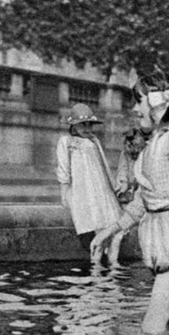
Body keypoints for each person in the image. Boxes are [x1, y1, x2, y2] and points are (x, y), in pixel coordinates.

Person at [91, 72, 169, 335]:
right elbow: (142, 201)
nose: (135, 109)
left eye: (139, 102)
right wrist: (110, 230)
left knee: (152, 329)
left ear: (157, 105)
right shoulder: (154, 145)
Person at [56, 102, 125, 264]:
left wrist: (113, 186)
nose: (87, 128)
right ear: (73, 125)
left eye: (90, 124)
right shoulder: (66, 142)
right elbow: (63, 168)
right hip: (82, 190)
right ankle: (96, 267)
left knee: (113, 231)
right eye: (82, 124)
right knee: (94, 230)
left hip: (100, 189)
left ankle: (113, 266)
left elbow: (104, 165)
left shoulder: (95, 141)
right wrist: (64, 191)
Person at [114, 127, 151, 204]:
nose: (134, 152)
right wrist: (124, 183)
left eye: (137, 148)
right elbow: (123, 169)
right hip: (129, 182)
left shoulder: (146, 151)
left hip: (142, 183)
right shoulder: (125, 153)